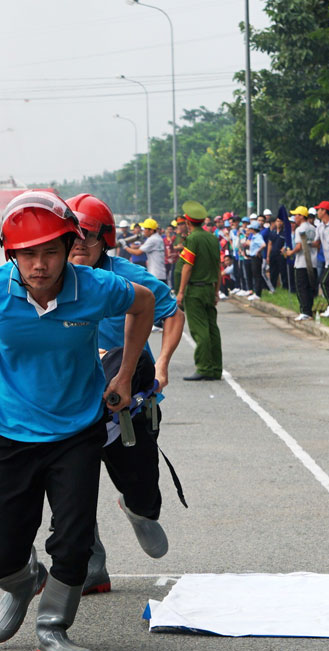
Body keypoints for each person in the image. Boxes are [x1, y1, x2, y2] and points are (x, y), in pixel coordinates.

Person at [0, 190, 154, 651]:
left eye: (50, 252)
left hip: (76, 431)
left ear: (69, 248)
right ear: (10, 254)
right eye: (27, 254)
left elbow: (142, 305)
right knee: (1, 553)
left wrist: (123, 375)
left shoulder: (96, 287)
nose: (39, 265)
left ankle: (52, 629)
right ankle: (21, 582)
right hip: (10, 432)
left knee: (75, 541)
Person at [65, 193, 184, 595]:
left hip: (127, 405)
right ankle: (91, 565)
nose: (79, 242)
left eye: (88, 235)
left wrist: (163, 364)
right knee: (71, 493)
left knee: (143, 488)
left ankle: (138, 510)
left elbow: (173, 313)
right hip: (71, 406)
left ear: (107, 239)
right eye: (72, 234)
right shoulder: (47, 281)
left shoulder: (129, 279)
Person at [175, 201, 222, 381]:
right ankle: (216, 368)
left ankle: (204, 367)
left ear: (188, 222)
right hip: (209, 289)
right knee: (212, 329)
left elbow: (187, 266)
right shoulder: (212, 238)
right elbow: (218, 267)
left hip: (195, 290)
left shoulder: (193, 239)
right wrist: (217, 291)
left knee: (199, 330)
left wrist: (180, 291)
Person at [287, 206, 317, 320]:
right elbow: (316, 244)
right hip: (312, 262)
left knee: (301, 287)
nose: (294, 217)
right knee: (309, 287)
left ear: (301, 216)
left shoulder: (300, 229)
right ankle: (309, 310)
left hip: (301, 263)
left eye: (296, 215)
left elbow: (299, 246)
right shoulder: (313, 228)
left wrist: (290, 252)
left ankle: (305, 311)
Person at [122, 218, 166, 283]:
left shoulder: (152, 239)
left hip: (156, 274)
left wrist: (125, 247)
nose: (143, 231)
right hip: (159, 273)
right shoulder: (158, 238)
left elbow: (137, 252)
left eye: (145, 229)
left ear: (151, 230)